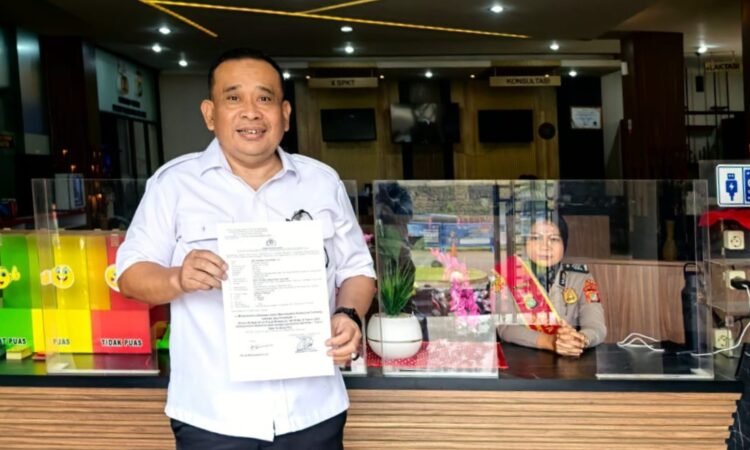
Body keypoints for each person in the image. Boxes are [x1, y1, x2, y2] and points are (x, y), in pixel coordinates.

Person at [116, 48, 376, 449]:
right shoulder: (174, 184)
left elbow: (357, 269)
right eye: (234, 98)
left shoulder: (322, 183)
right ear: (210, 113)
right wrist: (177, 278)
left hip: (313, 409)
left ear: (285, 114)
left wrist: (349, 314)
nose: (251, 112)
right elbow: (130, 276)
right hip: (213, 417)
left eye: (265, 98)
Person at [496, 215, 606, 357]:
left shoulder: (580, 278)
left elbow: (596, 326)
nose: (545, 246)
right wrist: (551, 342)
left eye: (554, 239)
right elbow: (506, 328)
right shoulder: (505, 275)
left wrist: (580, 339)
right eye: (536, 238)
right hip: (521, 361)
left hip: (570, 359)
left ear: (564, 244)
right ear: (524, 243)